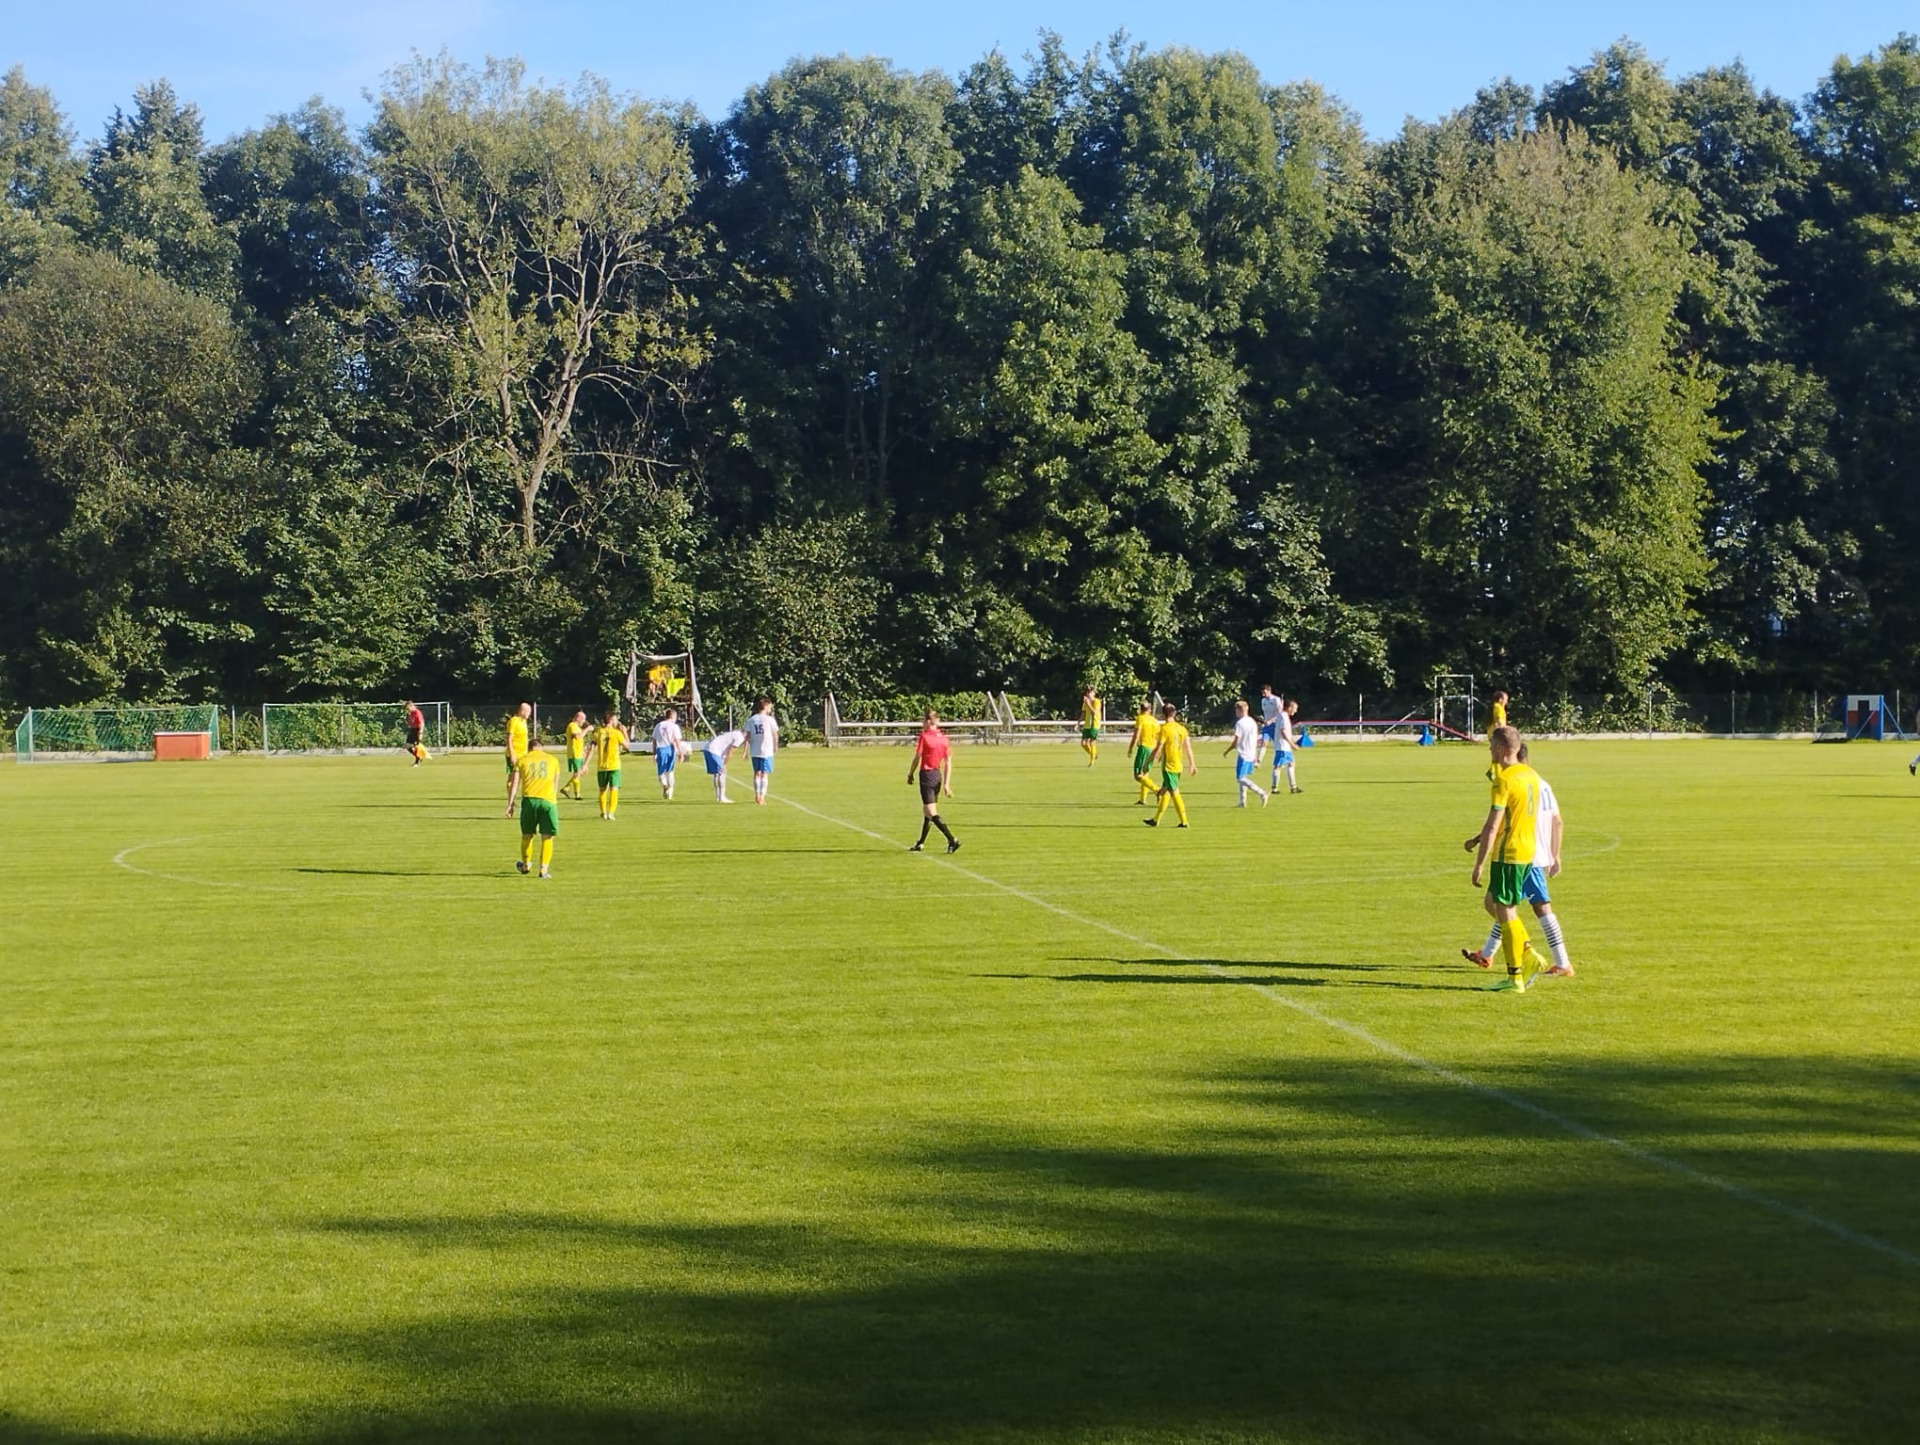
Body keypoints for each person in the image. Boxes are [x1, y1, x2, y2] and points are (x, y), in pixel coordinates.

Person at [1464, 742, 1574, 977]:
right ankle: (1488, 952)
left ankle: (1556, 960)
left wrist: (1477, 844)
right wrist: (1555, 854)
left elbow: (1501, 822)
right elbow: (1557, 821)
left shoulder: (1520, 782)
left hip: (1525, 855)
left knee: (1533, 907)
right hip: (1534, 853)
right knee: (1502, 904)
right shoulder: (1542, 784)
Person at [1465, 725, 1546, 992]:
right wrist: (1477, 839)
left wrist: (1479, 864)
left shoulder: (1504, 779)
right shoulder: (1531, 774)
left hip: (1508, 852)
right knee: (1492, 902)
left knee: (1506, 910)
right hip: (1527, 850)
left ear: (1500, 749)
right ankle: (1527, 951)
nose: (1489, 749)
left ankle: (1515, 977)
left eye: (1491, 745)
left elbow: (1494, 825)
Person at [505, 734, 560, 878]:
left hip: (529, 801)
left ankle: (526, 865)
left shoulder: (522, 760)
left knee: (527, 835)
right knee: (547, 836)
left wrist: (510, 804)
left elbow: (514, 784)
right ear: (542, 748)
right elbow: (555, 783)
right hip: (548, 801)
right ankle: (543, 869)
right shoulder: (553, 760)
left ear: (529, 749)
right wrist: (553, 801)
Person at [907, 708, 960, 853]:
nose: (922, 724)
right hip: (937, 775)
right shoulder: (944, 739)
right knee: (927, 811)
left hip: (927, 775)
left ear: (928, 721)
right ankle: (920, 842)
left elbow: (917, 757)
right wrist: (946, 784)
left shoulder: (924, 737)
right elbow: (948, 762)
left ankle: (952, 840)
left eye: (923, 721)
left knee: (931, 812)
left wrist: (910, 773)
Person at [1143, 703, 1197, 828]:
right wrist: (1192, 764)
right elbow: (1187, 747)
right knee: (1166, 792)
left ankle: (1184, 821)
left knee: (1174, 792)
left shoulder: (1165, 729)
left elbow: (1158, 748)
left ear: (1163, 715)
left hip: (1169, 767)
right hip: (1178, 765)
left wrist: (1147, 762)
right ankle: (1155, 820)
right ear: (1175, 713)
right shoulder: (1181, 728)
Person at [1225, 700, 1270, 807]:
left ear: (1239, 710)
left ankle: (1262, 793)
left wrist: (1227, 750)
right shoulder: (1252, 722)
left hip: (1243, 753)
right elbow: (1255, 739)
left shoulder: (1240, 723)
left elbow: (1236, 740)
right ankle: (1242, 801)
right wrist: (1255, 754)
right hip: (1251, 752)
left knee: (1240, 778)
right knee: (1243, 776)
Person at [593, 707, 629, 819]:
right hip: (614, 765)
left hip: (601, 766)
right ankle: (611, 812)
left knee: (602, 789)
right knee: (614, 789)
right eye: (616, 719)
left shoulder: (599, 732)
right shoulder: (617, 733)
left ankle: (603, 812)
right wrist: (625, 732)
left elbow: (592, 746)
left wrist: (585, 763)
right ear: (612, 720)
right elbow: (627, 746)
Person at [745, 696, 779, 805]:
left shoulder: (752, 719)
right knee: (764, 773)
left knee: (756, 772)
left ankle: (757, 795)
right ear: (766, 706)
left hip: (755, 750)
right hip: (767, 750)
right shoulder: (770, 720)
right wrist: (775, 746)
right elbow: (775, 734)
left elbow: (747, 736)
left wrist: (745, 750)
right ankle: (762, 796)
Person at [1128, 698, 1161, 805]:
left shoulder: (1141, 719)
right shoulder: (1154, 721)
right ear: (1150, 710)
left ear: (1141, 709)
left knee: (1138, 775)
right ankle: (1143, 799)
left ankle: (1156, 790)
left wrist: (1131, 747)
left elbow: (1136, 734)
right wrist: (1158, 751)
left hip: (1144, 748)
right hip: (1152, 749)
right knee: (1145, 774)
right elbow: (1158, 737)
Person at [502, 702, 532, 815]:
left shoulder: (524, 722)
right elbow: (509, 739)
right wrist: (512, 755)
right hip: (515, 755)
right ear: (522, 711)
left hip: (523, 755)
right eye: (528, 711)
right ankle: (510, 804)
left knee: (516, 780)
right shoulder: (513, 721)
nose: (529, 714)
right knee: (514, 780)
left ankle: (512, 800)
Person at [704, 726, 746, 803]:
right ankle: (722, 797)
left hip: (709, 748)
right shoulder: (740, 737)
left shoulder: (735, 733)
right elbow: (731, 751)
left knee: (717, 773)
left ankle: (718, 797)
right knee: (722, 772)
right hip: (714, 749)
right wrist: (724, 763)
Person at [652, 706, 685, 800]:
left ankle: (664, 785)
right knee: (670, 771)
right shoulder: (674, 726)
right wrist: (681, 753)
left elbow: (654, 740)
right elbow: (677, 740)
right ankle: (669, 793)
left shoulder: (658, 725)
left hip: (660, 749)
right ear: (673, 716)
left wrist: (654, 753)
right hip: (670, 749)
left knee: (661, 772)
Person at [1270, 698, 1302, 795]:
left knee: (1291, 763)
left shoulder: (1283, 716)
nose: (1295, 711)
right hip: (1282, 746)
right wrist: (1292, 744)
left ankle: (1293, 787)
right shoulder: (1283, 716)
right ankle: (1275, 788)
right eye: (1295, 708)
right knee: (1278, 766)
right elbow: (1283, 731)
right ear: (1290, 707)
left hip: (1285, 746)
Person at [562, 709, 590, 799]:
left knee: (581, 771)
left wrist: (583, 753)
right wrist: (587, 729)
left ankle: (566, 788)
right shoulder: (572, 725)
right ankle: (577, 794)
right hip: (574, 753)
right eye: (583, 719)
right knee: (577, 773)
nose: (584, 721)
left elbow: (579, 741)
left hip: (578, 753)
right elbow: (578, 736)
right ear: (578, 718)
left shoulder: (577, 727)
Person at [1079, 685, 1102, 766]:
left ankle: (1091, 762)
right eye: (1087, 692)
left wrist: (1088, 703)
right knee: (1083, 743)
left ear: (1093, 693)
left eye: (1090, 692)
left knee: (1092, 742)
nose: (1088, 694)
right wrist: (1078, 723)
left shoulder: (1096, 701)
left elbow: (1094, 712)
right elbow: (1083, 713)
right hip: (1087, 725)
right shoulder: (1085, 703)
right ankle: (1093, 754)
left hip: (1094, 724)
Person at [1257, 685, 1282, 761]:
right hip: (1266, 726)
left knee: (1277, 744)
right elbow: (1265, 713)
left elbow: (1279, 713)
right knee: (1263, 742)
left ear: (1269, 691)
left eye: (1265, 693)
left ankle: (1281, 760)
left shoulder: (1276, 699)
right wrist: (1265, 721)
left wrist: (1270, 721)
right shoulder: (1263, 701)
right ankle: (1258, 761)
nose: (1263, 694)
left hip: (1275, 725)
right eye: (1262, 693)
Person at [402, 701, 428, 766]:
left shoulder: (417, 712)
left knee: (416, 746)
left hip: (417, 730)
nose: (408, 710)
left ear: (411, 706)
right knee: (407, 746)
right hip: (412, 730)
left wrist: (420, 732)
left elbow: (421, 723)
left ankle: (417, 762)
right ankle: (418, 757)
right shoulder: (410, 713)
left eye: (408, 708)